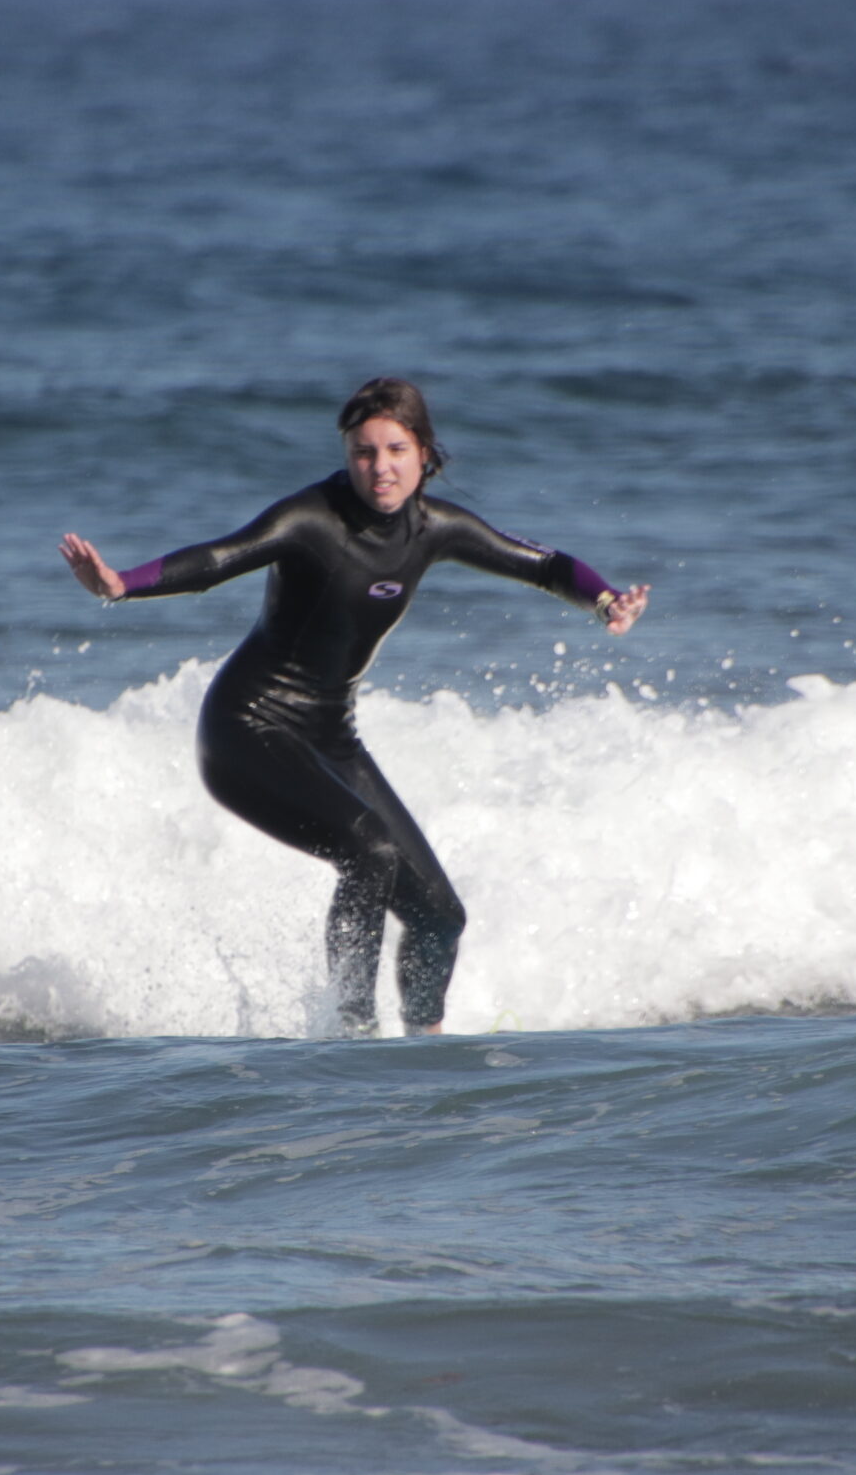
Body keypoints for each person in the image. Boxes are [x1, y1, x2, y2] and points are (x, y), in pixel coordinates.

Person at [60, 377, 650, 1037]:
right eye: (364, 452)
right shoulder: (312, 519)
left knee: (439, 916)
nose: (380, 467)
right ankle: (350, 1031)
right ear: (347, 455)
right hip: (244, 731)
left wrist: (604, 601)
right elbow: (220, 558)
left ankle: (421, 1048)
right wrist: (120, 585)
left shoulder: (434, 528)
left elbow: (541, 564)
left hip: (330, 736)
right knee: (367, 848)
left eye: (396, 449)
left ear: (424, 452)